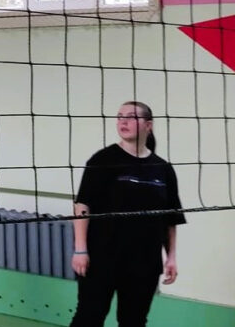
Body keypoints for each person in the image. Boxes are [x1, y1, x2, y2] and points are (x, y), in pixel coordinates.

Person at [69, 101, 185, 327]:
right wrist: (80, 250)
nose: (123, 121)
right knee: (89, 317)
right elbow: (82, 206)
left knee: (134, 320)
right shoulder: (103, 160)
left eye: (131, 117)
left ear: (148, 125)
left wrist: (171, 257)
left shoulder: (163, 169)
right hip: (102, 257)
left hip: (145, 261)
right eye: (120, 116)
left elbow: (171, 218)